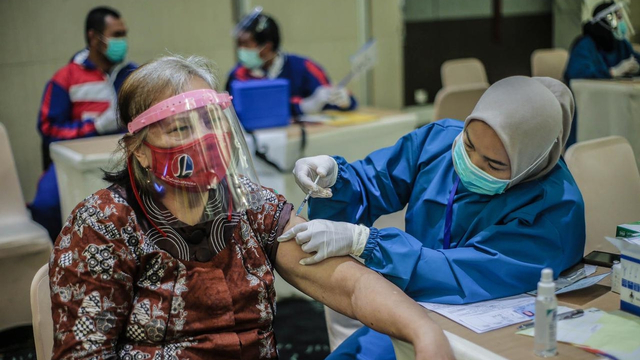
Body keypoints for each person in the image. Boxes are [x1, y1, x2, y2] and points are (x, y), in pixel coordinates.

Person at [48, 55, 454, 360]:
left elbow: (347, 283)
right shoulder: (103, 224)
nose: (205, 138)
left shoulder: (244, 203)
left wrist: (425, 332)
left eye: (212, 121)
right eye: (181, 128)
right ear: (138, 151)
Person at [281, 76, 586, 358]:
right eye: (469, 144)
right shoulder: (439, 143)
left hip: (492, 329)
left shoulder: (555, 209)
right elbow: (375, 181)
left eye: (493, 165)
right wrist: (336, 179)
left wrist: (368, 243)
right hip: (412, 307)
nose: (471, 164)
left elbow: (468, 272)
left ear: (530, 164)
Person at [31, 6, 137, 240]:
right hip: (74, 160)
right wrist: (96, 127)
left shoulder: (132, 75)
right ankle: (61, 254)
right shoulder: (66, 78)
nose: (123, 41)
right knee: (45, 205)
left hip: (124, 156)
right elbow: (49, 129)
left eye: (124, 34)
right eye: (116, 35)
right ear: (94, 37)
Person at [226, 9, 357, 116]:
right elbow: (245, 111)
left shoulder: (304, 67)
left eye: (245, 45)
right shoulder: (238, 75)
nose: (240, 50)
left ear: (267, 47)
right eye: (238, 44)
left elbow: (329, 100)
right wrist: (302, 106)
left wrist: (345, 101)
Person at [564, 1, 640, 146]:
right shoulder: (585, 45)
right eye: (618, 17)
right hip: (589, 110)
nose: (621, 21)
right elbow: (577, 72)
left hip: (615, 107)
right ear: (607, 21)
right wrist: (612, 72)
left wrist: (636, 68)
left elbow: (635, 58)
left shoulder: (620, 43)